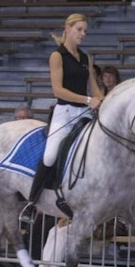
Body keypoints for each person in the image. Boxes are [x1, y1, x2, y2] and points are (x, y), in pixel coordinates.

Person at [23, 13, 103, 216]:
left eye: (85, 30)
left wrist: (103, 101)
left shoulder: (86, 58)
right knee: (50, 155)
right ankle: (31, 202)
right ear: (67, 29)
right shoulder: (57, 56)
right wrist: (87, 100)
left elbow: (94, 88)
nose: (83, 34)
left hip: (85, 112)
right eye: (79, 29)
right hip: (65, 112)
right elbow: (57, 90)